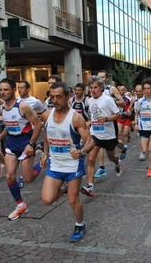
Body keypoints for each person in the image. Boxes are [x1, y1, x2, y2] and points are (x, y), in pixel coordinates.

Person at [40, 82, 94, 242]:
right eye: (52, 97)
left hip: (72, 166)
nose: (55, 100)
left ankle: (80, 224)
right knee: (47, 200)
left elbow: (90, 141)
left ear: (68, 97)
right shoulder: (46, 115)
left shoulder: (76, 118)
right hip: (55, 165)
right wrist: (44, 153)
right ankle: (64, 189)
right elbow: (46, 133)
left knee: (73, 200)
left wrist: (82, 151)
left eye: (58, 97)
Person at [0, 78, 42, 220]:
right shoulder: (2, 108)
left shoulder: (23, 106)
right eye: (1, 89)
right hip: (12, 144)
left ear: (13, 90)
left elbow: (38, 124)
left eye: (6, 89)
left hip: (25, 142)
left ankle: (44, 163)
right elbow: (9, 126)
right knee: (9, 176)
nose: (2, 92)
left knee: (28, 178)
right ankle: (20, 205)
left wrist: (31, 144)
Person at [81, 75, 123, 197]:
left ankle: (117, 162)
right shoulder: (89, 101)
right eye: (91, 87)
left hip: (108, 135)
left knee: (111, 158)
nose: (93, 90)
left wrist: (106, 118)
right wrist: (90, 121)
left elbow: (118, 114)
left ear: (101, 88)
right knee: (91, 158)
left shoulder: (108, 100)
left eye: (95, 87)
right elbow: (92, 114)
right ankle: (90, 186)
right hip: (95, 134)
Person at [93, 70, 126, 178]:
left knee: (114, 142)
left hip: (111, 121)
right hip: (98, 123)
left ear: (107, 78)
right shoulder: (95, 90)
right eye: (98, 77)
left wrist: (109, 101)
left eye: (102, 77)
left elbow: (123, 102)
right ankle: (102, 167)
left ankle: (123, 147)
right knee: (98, 144)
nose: (100, 79)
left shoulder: (111, 89)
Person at [16, 80, 48, 187]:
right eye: (18, 88)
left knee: (26, 153)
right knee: (22, 153)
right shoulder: (16, 101)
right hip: (19, 132)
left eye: (22, 87)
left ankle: (22, 176)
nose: (20, 90)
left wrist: (43, 122)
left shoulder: (35, 101)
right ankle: (40, 160)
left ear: (28, 89)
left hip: (31, 132)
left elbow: (44, 111)